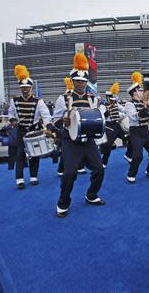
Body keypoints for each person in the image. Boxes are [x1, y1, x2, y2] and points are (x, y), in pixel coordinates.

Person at [53, 52, 106, 218]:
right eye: (78, 81)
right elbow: (55, 120)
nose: (81, 84)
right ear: (72, 81)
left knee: (99, 168)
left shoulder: (93, 98)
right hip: (71, 140)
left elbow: (100, 114)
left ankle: (91, 195)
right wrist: (64, 122)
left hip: (88, 140)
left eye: (83, 81)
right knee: (69, 173)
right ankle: (63, 203)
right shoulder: (64, 98)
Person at [8, 65, 54, 189]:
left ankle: (34, 176)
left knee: (34, 153)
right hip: (21, 130)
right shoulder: (14, 100)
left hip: (34, 129)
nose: (25, 90)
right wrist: (13, 121)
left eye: (27, 87)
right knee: (20, 154)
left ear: (31, 87)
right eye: (22, 87)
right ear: (20, 88)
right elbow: (11, 113)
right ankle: (19, 179)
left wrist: (49, 127)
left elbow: (45, 115)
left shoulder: (38, 101)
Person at [124, 72, 149, 183]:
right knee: (138, 156)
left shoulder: (144, 103)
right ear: (134, 92)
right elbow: (135, 118)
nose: (142, 92)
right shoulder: (129, 104)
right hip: (136, 132)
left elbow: (148, 117)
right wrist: (145, 108)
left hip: (145, 130)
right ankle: (131, 174)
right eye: (140, 90)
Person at [99, 82, 126, 168]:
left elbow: (124, 110)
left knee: (128, 137)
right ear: (107, 97)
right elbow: (104, 115)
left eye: (112, 97)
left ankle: (129, 155)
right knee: (108, 145)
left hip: (117, 125)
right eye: (110, 97)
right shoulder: (103, 105)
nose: (112, 99)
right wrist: (109, 108)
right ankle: (104, 162)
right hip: (108, 126)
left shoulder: (116, 103)